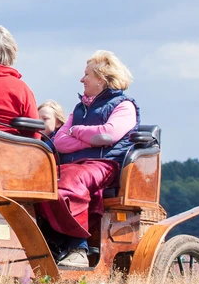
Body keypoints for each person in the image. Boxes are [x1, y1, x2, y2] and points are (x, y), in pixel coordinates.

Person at [39, 51, 140, 268]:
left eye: (87, 74)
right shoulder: (80, 108)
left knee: (68, 184)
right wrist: (89, 140)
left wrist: (76, 131)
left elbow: (107, 135)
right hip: (73, 164)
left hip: (105, 164)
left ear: (101, 79)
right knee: (40, 183)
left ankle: (79, 248)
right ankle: (52, 243)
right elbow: (60, 142)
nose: (81, 79)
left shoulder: (124, 106)